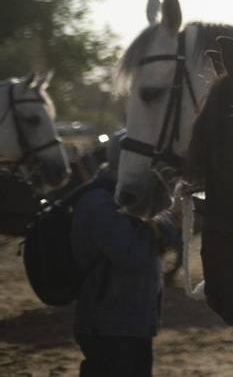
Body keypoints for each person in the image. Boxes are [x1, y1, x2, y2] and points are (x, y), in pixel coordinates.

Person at [72, 132, 176, 377]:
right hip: (110, 325)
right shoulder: (101, 201)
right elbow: (133, 254)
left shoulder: (122, 198)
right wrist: (171, 220)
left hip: (129, 323)